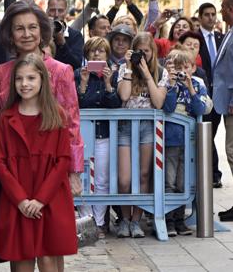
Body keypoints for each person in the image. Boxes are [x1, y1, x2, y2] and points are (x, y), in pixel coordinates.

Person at [0, 0, 84, 195]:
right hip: (12, 168)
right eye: (19, 28)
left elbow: (72, 124)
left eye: (32, 27)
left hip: (50, 167)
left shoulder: (60, 71)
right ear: (10, 33)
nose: (26, 34)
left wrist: (74, 171)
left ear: (41, 30)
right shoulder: (1, 73)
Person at [0, 53, 77, 272]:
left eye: (31, 78)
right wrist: (21, 200)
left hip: (50, 198)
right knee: (22, 259)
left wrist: (40, 200)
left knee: (49, 258)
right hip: (17, 200)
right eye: (19, 79)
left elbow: (62, 161)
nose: (24, 84)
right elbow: (0, 162)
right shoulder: (6, 118)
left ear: (42, 79)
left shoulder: (56, 115)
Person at [116, 32, 168, 238]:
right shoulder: (124, 68)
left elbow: (158, 102)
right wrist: (130, 67)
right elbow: (124, 95)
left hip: (148, 126)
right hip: (125, 127)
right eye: (139, 52)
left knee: (144, 175)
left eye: (146, 52)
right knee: (124, 179)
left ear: (153, 52)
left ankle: (136, 220)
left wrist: (147, 73)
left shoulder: (160, 71)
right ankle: (124, 219)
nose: (142, 56)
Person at [74, 37, 121, 239]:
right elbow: (75, 104)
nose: (96, 55)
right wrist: (83, 85)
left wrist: (108, 84)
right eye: (92, 51)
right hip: (82, 136)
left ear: (107, 54)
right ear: (86, 54)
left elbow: (115, 104)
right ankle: (87, 223)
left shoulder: (114, 74)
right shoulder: (78, 74)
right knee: (83, 180)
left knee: (101, 179)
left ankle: (100, 222)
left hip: (104, 135)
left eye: (101, 51)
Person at [162, 48, 212, 236]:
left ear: (192, 68)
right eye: (178, 68)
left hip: (189, 140)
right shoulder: (168, 83)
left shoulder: (197, 85)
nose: (183, 72)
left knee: (183, 182)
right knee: (169, 181)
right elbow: (167, 108)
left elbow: (200, 109)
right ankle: (168, 220)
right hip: (171, 139)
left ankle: (180, 219)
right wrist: (173, 85)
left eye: (187, 67)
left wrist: (190, 87)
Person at [196, 2, 226, 188]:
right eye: (206, 14)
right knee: (206, 133)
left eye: (213, 14)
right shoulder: (194, 38)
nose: (210, 17)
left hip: (220, 94)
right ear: (200, 17)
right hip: (203, 92)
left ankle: (213, 172)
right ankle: (212, 172)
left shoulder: (221, 37)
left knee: (212, 134)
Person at [214, 0, 233, 221]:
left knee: (231, 151)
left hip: (231, 103)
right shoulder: (228, 32)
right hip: (224, 99)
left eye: (223, 8)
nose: (221, 13)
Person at [46, 0, 84, 69]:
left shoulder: (76, 36)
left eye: (60, 11)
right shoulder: (41, 34)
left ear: (66, 12)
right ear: (47, 11)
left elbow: (76, 65)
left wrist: (62, 43)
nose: (56, 14)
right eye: (53, 10)